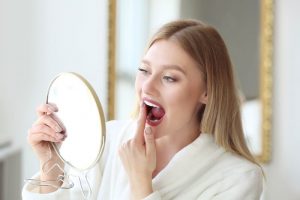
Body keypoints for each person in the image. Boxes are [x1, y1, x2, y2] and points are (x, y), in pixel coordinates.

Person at [23, 19, 263, 199]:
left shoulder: (238, 178)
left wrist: (141, 183)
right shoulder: (108, 141)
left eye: (169, 78)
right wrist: (51, 166)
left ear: (207, 91)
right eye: (144, 71)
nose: (147, 86)